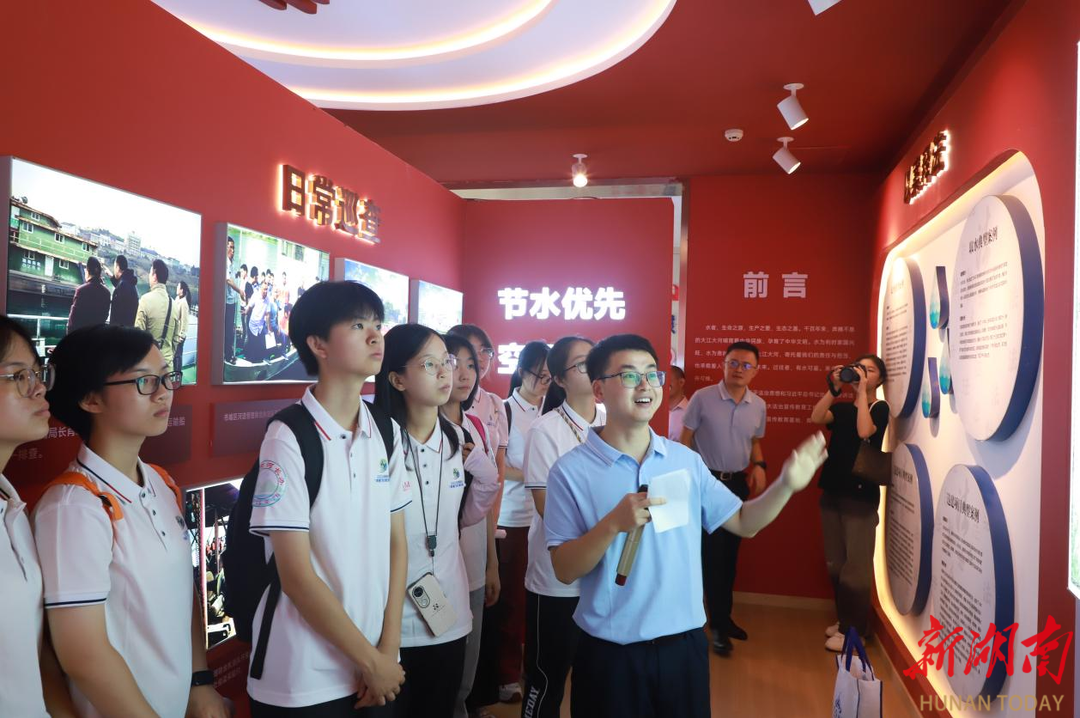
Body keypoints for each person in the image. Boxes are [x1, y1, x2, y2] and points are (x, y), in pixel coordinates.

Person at [544, 334, 827, 718]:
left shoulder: (684, 461)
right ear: (599, 390)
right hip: (610, 653)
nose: (645, 386)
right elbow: (564, 569)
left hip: (683, 647)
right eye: (629, 376)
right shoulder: (570, 471)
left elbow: (744, 522)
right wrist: (611, 525)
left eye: (652, 374)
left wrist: (786, 485)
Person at [33, 324, 230, 717]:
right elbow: (83, 655)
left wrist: (200, 681)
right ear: (90, 399)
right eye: (145, 381)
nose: (164, 392)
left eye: (167, 377)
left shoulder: (160, 481)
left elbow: (183, 593)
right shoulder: (73, 507)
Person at [245, 281, 411, 715]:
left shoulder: (386, 430)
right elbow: (296, 576)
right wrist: (370, 660)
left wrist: (388, 649)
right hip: (303, 676)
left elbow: (397, 543)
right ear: (318, 344)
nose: (376, 336)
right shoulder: (288, 435)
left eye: (378, 324)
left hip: (376, 666)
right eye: (358, 325)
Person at [374, 324, 498, 718]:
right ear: (397, 379)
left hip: (449, 613)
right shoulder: (379, 443)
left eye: (447, 361)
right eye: (430, 364)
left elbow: (472, 508)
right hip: (388, 621)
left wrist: (478, 461)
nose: (446, 372)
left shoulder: (456, 440)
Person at [521, 336, 603, 718]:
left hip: (602, 576)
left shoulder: (613, 420)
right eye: (583, 363)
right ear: (559, 379)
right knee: (547, 679)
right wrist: (609, 519)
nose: (595, 367)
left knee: (594, 679)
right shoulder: (545, 430)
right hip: (556, 581)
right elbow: (546, 507)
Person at [0, 315, 75, 717]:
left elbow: (34, 655)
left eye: (37, 372)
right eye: (19, 376)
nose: (40, 387)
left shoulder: (12, 508)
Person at [679, 341, 767, 654]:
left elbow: (754, 441)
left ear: (756, 370)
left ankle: (723, 619)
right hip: (706, 483)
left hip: (737, 484)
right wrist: (691, 479)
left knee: (730, 556)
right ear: (724, 364)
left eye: (746, 365)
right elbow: (685, 439)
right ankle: (715, 625)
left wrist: (759, 466)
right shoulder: (702, 398)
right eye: (733, 363)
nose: (739, 369)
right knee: (712, 556)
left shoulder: (758, 405)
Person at [810, 355, 889, 652]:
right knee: (836, 562)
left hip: (860, 494)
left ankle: (853, 631)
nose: (862, 373)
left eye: (870, 370)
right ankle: (846, 621)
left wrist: (862, 395)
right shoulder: (843, 408)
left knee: (856, 566)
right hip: (833, 490)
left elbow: (864, 432)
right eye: (859, 369)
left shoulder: (879, 408)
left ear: (880, 379)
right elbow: (817, 417)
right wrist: (834, 389)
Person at [440, 333, 501, 718]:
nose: (463, 374)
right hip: (436, 569)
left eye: (470, 365)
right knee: (440, 671)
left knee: (467, 669)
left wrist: (492, 563)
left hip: (474, 561)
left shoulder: (476, 424)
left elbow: (485, 503)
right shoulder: (420, 427)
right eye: (452, 363)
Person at [496, 341, 550, 704]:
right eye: (539, 374)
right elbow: (499, 467)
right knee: (511, 600)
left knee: (539, 598)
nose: (545, 381)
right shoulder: (505, 411)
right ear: (521, 371)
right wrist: (536, 475)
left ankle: (534, 667)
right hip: (512, 517)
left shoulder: (553, 412)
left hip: (546, 517)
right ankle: (506, 675)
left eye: (549, 376)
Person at [134, 259, 180, 368]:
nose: (149, 276)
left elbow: (138, 336)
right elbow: (175, 339)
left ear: (154, 276)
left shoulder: (145, 300)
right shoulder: (174, 305)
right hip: (167, 367)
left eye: (150, 273)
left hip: (149, 366)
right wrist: (168, 356)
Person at [67, 257, 111, 332]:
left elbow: (72, 321)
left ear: (87, 271)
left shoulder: (81, 290)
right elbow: (105, 316)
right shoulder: (107, 293)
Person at [224, 239, 244, 362]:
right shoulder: (225, 263)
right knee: (227, 330)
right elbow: (228, 280)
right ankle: (228, 355)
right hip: (226, 301)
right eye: (230, 247)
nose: (233, 250)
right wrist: (239, 291)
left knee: (230, 329)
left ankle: (229, 353)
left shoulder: (231, 264)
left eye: (233, 248)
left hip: (232, 301)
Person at [108, 255, 138, 327]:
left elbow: (116, 316)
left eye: (114, 267)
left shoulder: (122, 286)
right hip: (128, 329)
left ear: (117, 266)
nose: (114, 270)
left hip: (119, 331)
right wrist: (112, 277)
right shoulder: (130, 282)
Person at [246, 279, 270, 364]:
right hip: (252, 325)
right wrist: (245, 312)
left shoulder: (268, 299)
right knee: (251, 346)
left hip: (260, 326)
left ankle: (258, 362)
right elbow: (249, 306)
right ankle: (249, 360)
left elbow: (267, 315)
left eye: (267, 289)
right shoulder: (255, 295)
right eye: (264, 289)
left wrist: (268, 329)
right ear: (260, 289)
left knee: (259, 347)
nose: (265, 291)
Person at [666, 365, 688, 442]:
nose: (664, 384)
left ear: (681, 382)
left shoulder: (691, 412)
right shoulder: (653, 408)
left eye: (668, 379)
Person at [174, 281, 192, 374]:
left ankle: (177, 377)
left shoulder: (184, 303)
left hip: (179, 336)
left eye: (178, 287)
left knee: (178, 356)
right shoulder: (177, 299)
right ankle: (174, 375)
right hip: (175, 335)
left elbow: (185, 321)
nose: (176, 288)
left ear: (181, 290)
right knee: (175, 356)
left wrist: (181, 335)